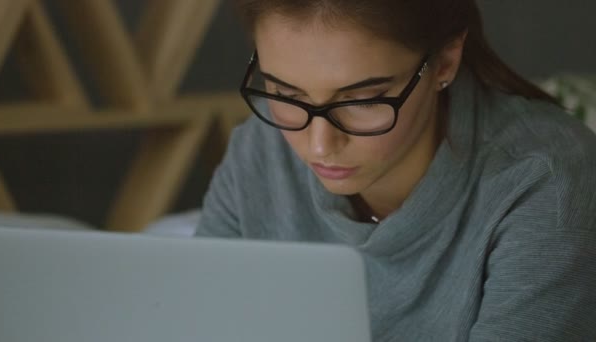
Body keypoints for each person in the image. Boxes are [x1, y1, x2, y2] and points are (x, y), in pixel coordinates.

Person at [196, 0, 596, 340]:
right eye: (286, 93)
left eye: (363, 99)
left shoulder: (548, 180)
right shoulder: (260, 147)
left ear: (444, 63)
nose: (318, 145)